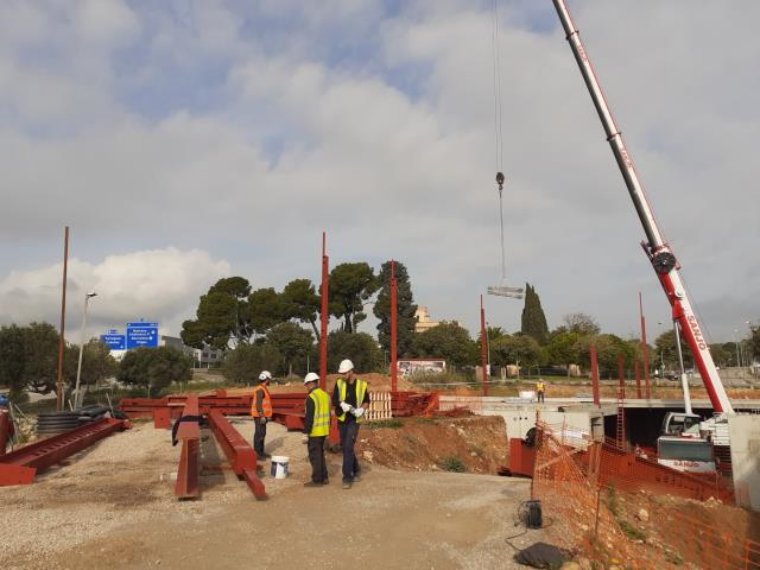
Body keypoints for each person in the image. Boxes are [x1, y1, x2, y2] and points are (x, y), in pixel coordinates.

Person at [332, 359, 370, 489]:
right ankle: (357, 469)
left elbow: (366, 401)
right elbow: (334, 399)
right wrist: (341, 404)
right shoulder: (339, 383)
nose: (342, 375)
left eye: (345, 373)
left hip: (354, 420)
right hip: (343, 419)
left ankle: (347, 477)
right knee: (345, 446)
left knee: (348, 445)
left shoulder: (362, 385)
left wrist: (361, 409)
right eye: (341, 373)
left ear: (351, 371)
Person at [303, 372, 330, 487]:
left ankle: (317, 479)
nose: (306, 387)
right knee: (321, 454)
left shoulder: (311, 398)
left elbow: (309, 417)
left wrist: (306, 433)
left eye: (306, 385)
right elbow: (329, 413)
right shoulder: (325, 395)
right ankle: (324, 477)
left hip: (314, 431)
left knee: (315, 456)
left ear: (310, 383)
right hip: (324, 430)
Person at [250, 371, 273, 459]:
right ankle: (257, 454)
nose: (269, 381)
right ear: (266, 379)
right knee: (259, 434)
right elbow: (258, 404)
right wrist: (262, 415)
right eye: (269, 379)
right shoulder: (260, 389)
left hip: (263, 416)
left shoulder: (263, 388)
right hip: (259, 416)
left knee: (262, 433)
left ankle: (261, 452)